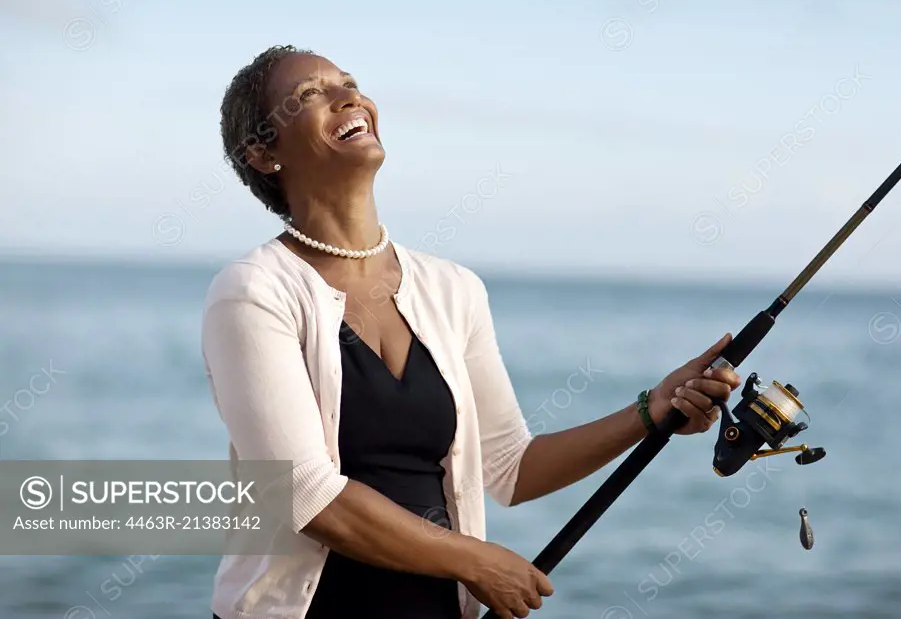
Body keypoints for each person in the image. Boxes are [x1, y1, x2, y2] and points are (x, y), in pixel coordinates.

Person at [203, 44, 742, 619]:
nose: (348, 97)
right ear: (262, 154)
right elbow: (307, 496)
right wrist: (475, 561)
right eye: (311, 94)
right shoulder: (253, 290)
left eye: (349, 83)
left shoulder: (453, 289)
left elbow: (510, 467)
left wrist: (648, 412)